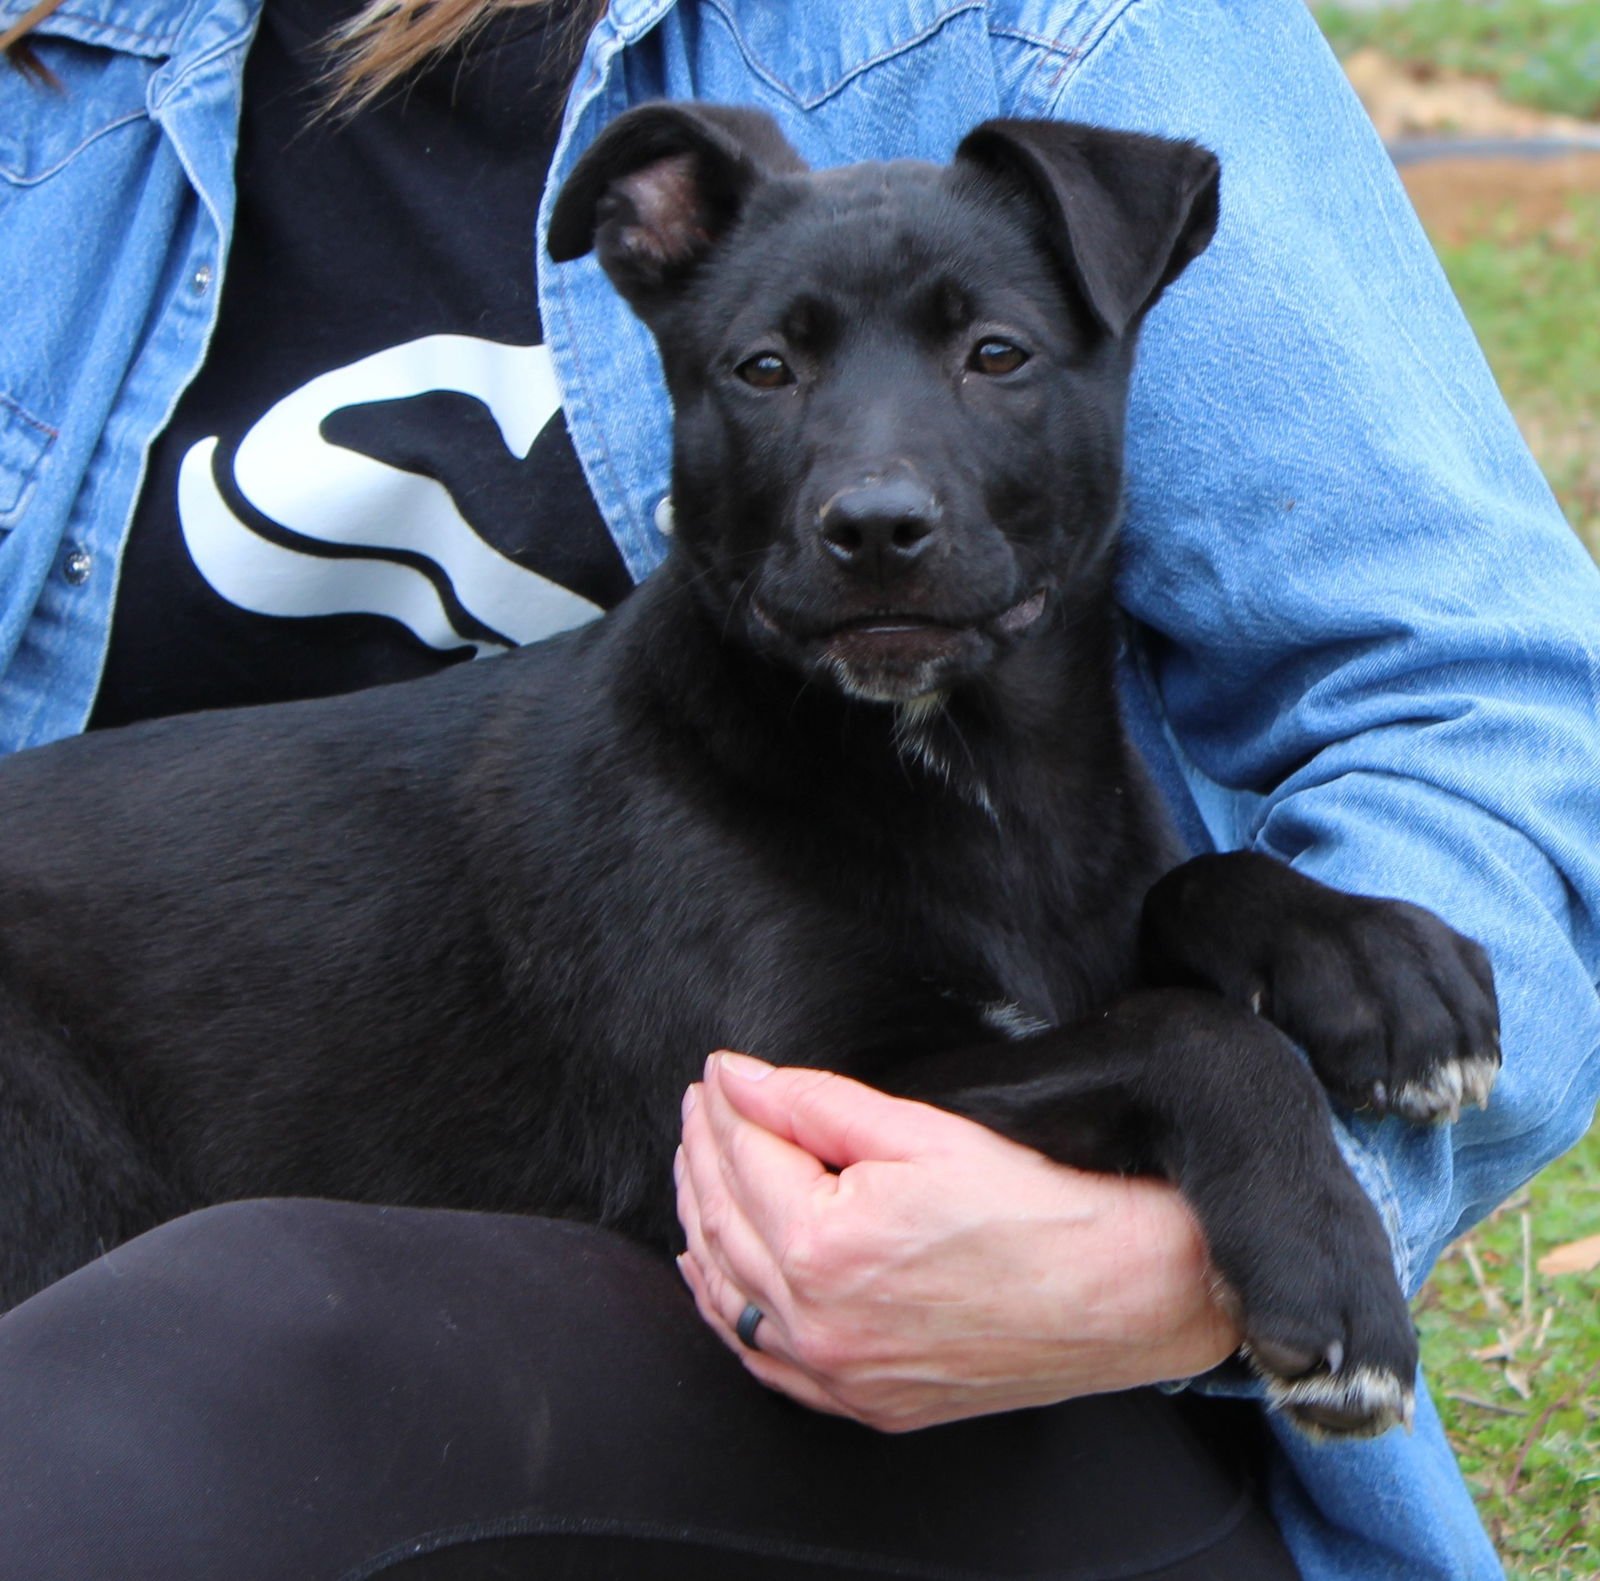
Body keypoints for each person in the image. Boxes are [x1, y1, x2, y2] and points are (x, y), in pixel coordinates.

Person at [0, 0, 1596, 1575]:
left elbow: (1476, 695)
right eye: (771, 366)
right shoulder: (59, 67)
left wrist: (1185, 1231)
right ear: (653, 268)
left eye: (988, 356)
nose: (875, 484)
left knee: (226, 1334)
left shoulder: (1024, 31)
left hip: (974, 1436)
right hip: (137, 1186)